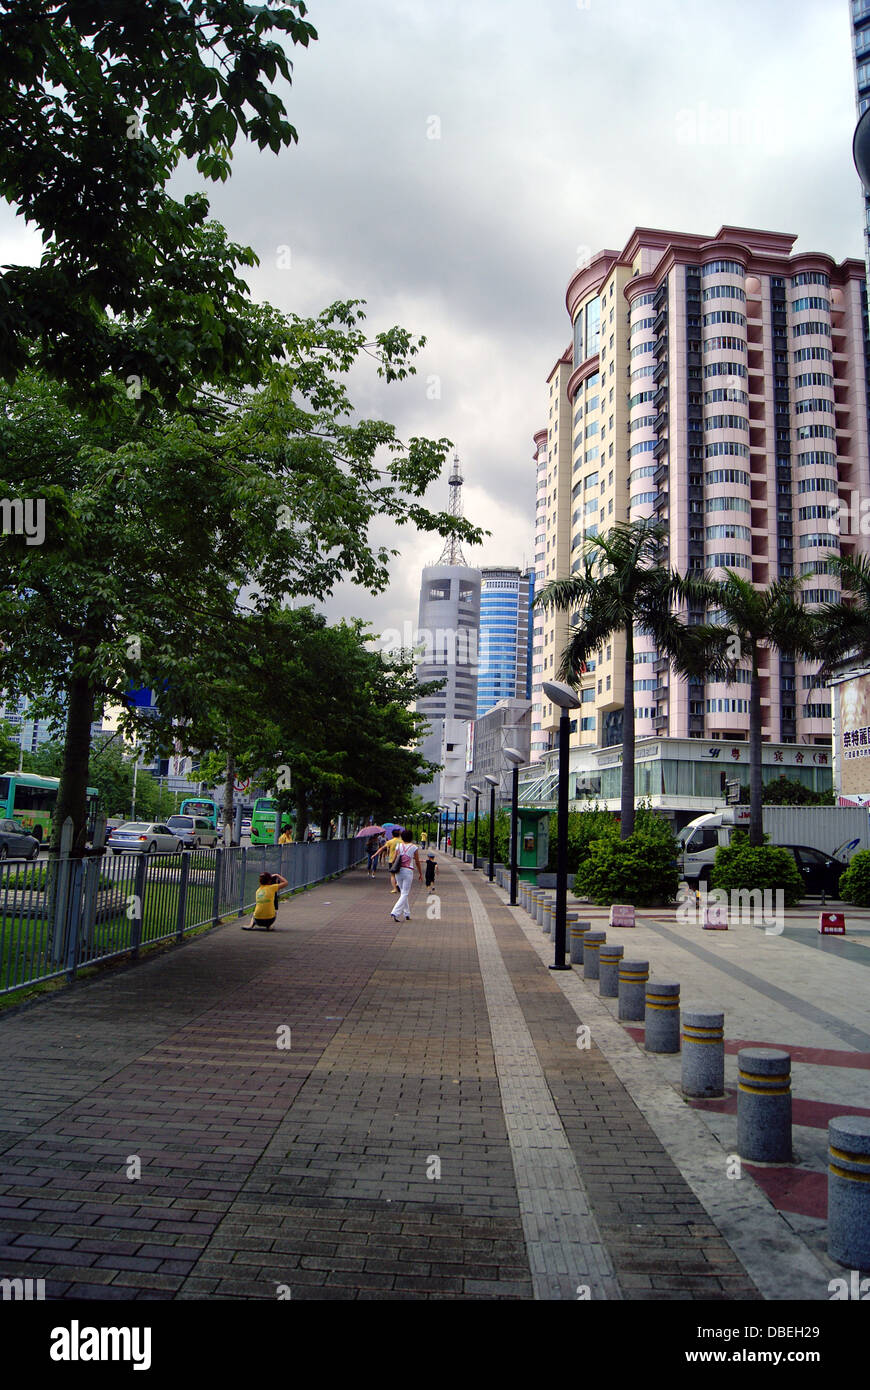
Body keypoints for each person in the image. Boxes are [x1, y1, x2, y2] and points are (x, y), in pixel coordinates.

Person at [390, 829, 423, 922]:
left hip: (398, 871)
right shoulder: (414, 847)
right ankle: (395, 912)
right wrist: (420, 873)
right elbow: (417, 861)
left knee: (403, 893)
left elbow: (395, 858)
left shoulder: (399, 845)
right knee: (405, 893)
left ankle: (407, 913)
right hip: (408, 871)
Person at [377, 829, 403, 894]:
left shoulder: (390, 841)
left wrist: (375, 854)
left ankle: (394, 889)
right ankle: (398, 884)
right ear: (399, 834)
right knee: (399, 873)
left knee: (392, 875)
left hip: (392, 860)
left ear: (392, 835)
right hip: (400, 860)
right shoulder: (402, 841)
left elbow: (382, 848)